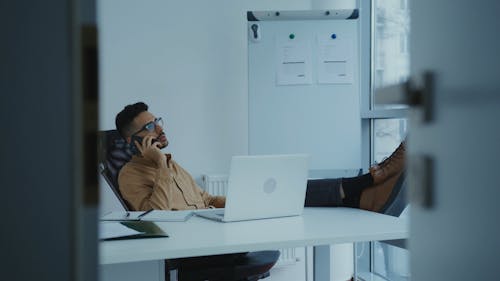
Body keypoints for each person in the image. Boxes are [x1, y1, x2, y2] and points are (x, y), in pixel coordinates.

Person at [115, 101, 406, 215]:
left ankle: (365, 193)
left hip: (212, 220)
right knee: (292, 197)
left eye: (159, 120)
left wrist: (245, 201)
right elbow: (158, 218)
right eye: (151, 126)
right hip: (193, 239)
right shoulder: (130, 175)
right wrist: (158, 166)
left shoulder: (170, 163)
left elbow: (203, 198)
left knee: (289, 193)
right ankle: (370, 181)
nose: (161, 128)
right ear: (132, 140)